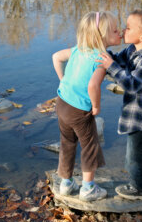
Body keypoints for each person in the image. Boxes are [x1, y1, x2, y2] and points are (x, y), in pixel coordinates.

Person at [96, 9, 142, 201]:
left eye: (128, 28)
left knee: (135, 157)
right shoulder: (132, 50)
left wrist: (110, 66)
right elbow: (117, 62)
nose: (123, 30)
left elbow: (131, 84)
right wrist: (102, 54)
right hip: (137, 113)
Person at [52, 11, 122, 202]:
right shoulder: (101, 58)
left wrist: (63, 79)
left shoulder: (77, 50)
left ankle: (66, 183)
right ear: (102, 37)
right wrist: (96, 106)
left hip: (62, 103)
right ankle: (88, 188)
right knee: (90, 146)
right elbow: (93, 85)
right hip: (79, 110)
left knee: (67, 142)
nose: (120, 33)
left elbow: (56, 57)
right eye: (115, 30)